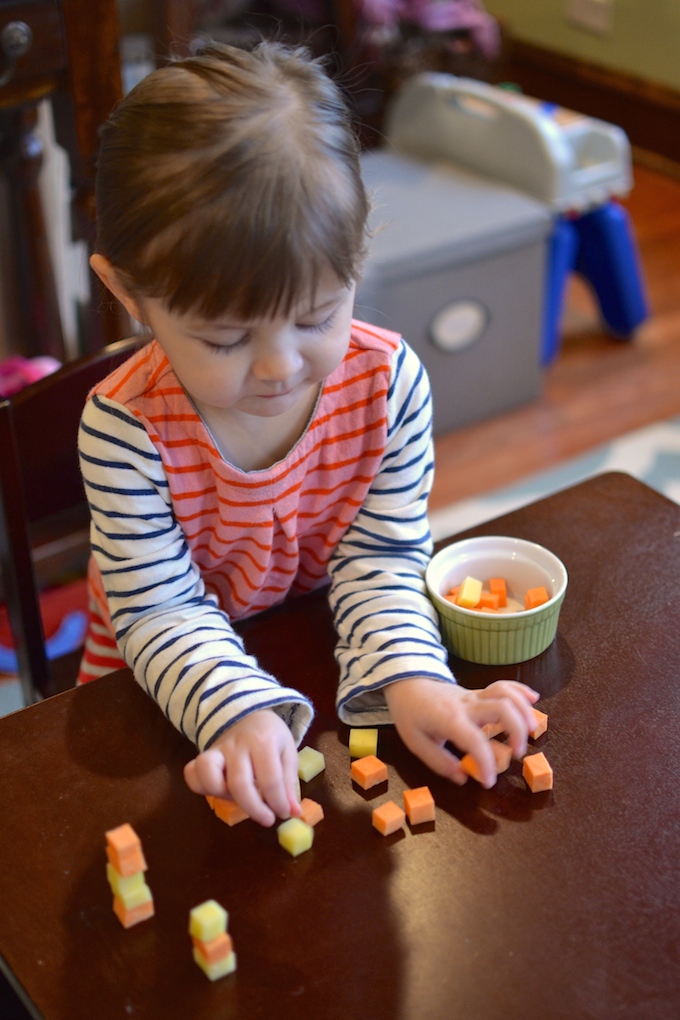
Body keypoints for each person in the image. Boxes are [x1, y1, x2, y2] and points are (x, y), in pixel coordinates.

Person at [78, 40, 539, 828]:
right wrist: (235, 711)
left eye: (318, 316)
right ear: (129, 295)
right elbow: (158, 612)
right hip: (161, 685)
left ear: (357, 259)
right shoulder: (125, 429)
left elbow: (383, 554)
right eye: (224, 339)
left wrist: (414, 678)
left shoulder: (387, 384)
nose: (278, 368)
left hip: (322, 650)